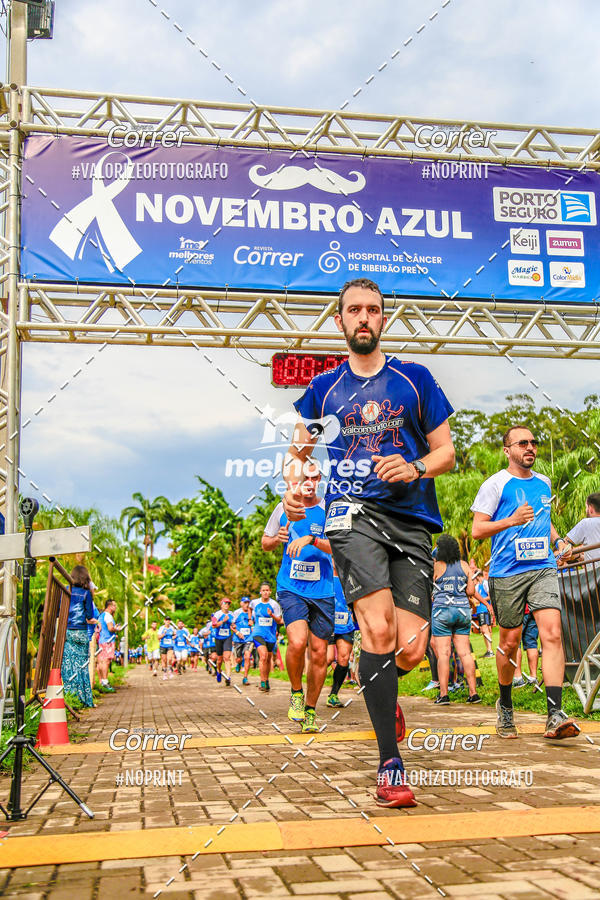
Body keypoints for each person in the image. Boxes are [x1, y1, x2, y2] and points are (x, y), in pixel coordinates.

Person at [282, 277, 455, 808]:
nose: (364, 317)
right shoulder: (325, 389)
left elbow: (446, 452)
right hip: (350, 516)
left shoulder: (415, 380)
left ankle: (383, 686)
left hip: (412, 520)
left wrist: (415, 466)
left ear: (383, 318)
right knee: (378, 628)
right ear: (339, 321)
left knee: (411, 649)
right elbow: (298, 451)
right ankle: (389, 765)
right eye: (354, 309)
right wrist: (293, 489)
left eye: (373, 310)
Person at [471, 424, 579, 740]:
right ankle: (505, 706)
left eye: (533, 442)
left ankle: (554, 714)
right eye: (522, 443)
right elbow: (477, 530)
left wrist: (558, 542)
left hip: (542, 567)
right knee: (509, 642)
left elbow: (545, 521)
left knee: (553, 633)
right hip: (507, 572)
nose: (530, 447)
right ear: (507, 450)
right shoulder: (495, 485)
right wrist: (511, 520)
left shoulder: (544, 483)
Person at [263, 462, 335, 733]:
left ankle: (311, 711)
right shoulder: (283, 508)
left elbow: (339, 546)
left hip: (323, 590)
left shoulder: (328, 509)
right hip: (291, 587)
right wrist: (277, 539)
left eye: (314, 477)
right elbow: (265, 542)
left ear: (319, 479)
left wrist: (312, 540)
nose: (309, 482)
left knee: (319, 654)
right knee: (296, 640)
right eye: (304, 477)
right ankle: (296, 692)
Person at [430, 535, 480, 705]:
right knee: (465, 653)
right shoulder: (464, 565)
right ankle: (473, 693)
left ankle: (444, 695)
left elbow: (429, 588)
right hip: (462, 611)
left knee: (443, 653)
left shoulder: (436, 566)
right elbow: (471, 591)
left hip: (442, 611)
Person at [61, 565, 97, 707]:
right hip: (81, 633)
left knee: (69, 665)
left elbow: (59, 612)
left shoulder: (65, 590)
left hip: (67, 632)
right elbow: (89, 616)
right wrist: (97, 622)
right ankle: (85, 699)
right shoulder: (86, 593)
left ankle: (71, 697)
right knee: (82, 667)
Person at [326, 569, 356, 707]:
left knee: (344, 659)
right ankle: (309, 692)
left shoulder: (351, 578)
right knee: (327, 658)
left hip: (345, 624)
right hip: (327, 622)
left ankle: (333, 694)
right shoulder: (324, 575)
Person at [251, 592, 283, 692]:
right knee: (263, 656)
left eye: (267, 590)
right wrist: (250, 620)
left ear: (270, 592)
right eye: (263, 590)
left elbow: (279, 621)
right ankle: (262, 681)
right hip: (258, 633)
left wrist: (271, 615)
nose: (265, 592)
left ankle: (266, 680)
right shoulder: (254, 603)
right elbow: (250, 610)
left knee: (268, 659)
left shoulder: (274, 604)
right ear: (260, 592)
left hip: (270, 635)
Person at [565, 493, 600, 564]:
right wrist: (579, 556)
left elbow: (565, 543)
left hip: (595, 570)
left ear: (590, 508)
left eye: (586, 507)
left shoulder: (587, 523)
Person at [96, 599, 118, 692]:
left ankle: (102, 681)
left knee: (101, 661)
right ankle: (105, 681)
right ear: (110, 606)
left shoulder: (102, 615)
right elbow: (110, 628)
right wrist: (117, 628)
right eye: (114, 605)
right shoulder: (108, 616)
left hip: (101, 640)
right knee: (106, 661)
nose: (115, 607)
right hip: (108, 641)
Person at [232, 596, 254, 686]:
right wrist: (237, 632)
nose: (247, 605)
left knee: (247, 657)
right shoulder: (236, 613)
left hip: (249, 639)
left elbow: (255, 624)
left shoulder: (252, 613)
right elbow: (231, 625)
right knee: (238, 658)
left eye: (248, 603)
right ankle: (239, 663)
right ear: (241, 603)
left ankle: (245, 677)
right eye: (245, 603)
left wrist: (253, 627)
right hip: (238, 639)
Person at [211, 597, 234, 685]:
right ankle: (218, 671)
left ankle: (228, 677)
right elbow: (213, 625)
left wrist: (234, 626)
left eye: (228, 603)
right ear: (221, 605)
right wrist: (223, 621)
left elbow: (233, 624)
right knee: (220, 660)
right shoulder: (217, 614)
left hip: (227, 637)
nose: (227, 605)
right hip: (218, 638)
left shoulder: (231, 614)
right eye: (225, 603)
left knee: (227, 657)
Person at [473, 570, 495, 658]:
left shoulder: (485, 583)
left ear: (478, 576)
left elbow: (490, 596)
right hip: (479, 610)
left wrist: (480, 600)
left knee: (486, 629)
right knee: (484, 630)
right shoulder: (477, 586)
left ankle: (490, 651)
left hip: (484, 609)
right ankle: (488, 650)